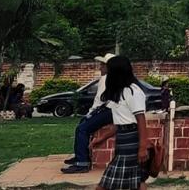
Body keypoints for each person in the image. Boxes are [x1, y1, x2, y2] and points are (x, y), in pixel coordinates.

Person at [95, 55, 149, 190]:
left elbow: (141, 120)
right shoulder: (118, 92)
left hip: (132, 140)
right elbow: (118, 123)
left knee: (108, 182)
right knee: (136, 180)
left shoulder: (133, 91)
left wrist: (142, 147)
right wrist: (102, 137)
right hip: (122, 139)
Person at [62, 53, 115, 174]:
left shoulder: (106, 78)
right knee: (82, 125)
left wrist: (90, 113)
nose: (100, 68)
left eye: (102, 65)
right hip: (110, 110)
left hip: (108, 111)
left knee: (82, 129)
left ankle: (82, 162)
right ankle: (79, 155)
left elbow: (100, 100)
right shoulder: (114, 78)